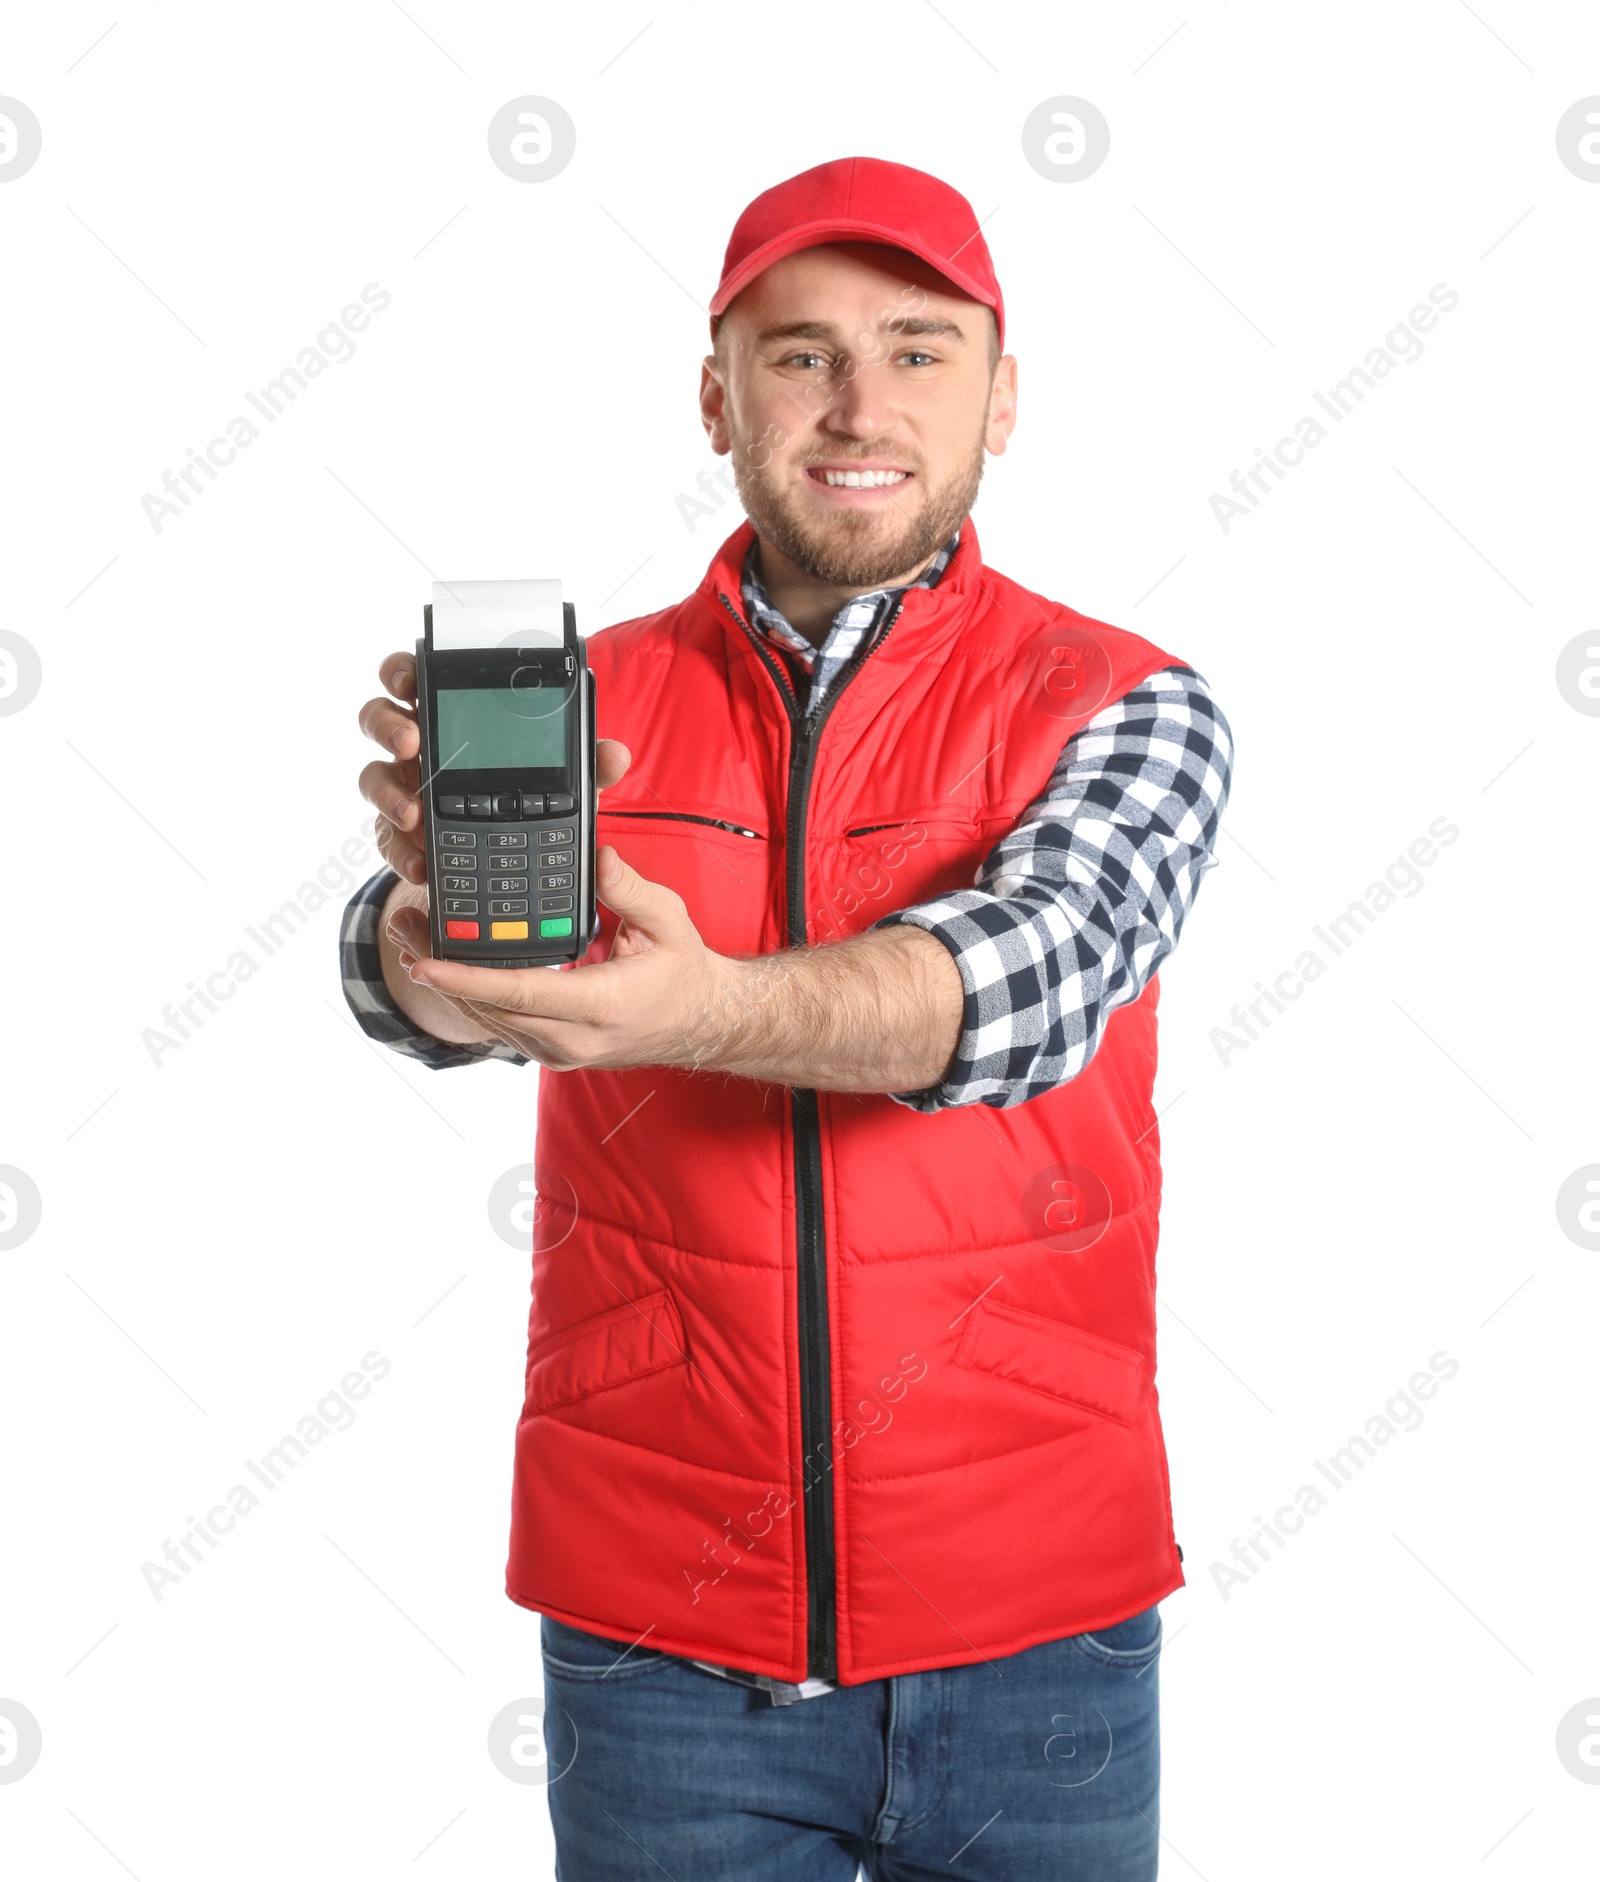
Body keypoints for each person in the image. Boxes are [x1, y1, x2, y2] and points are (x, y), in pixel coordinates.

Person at [342, 155, 1233, 1881]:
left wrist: (703, 1007)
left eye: (917, 350)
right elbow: (411, 993)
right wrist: (417, 937)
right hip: (659, 1629)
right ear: (717, 392)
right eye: (800, 350)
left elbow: (1028, 982)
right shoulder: (583, 697)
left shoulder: (1125, 703)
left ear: (1003, 394)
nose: (857, 403)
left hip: (1037, 1625)